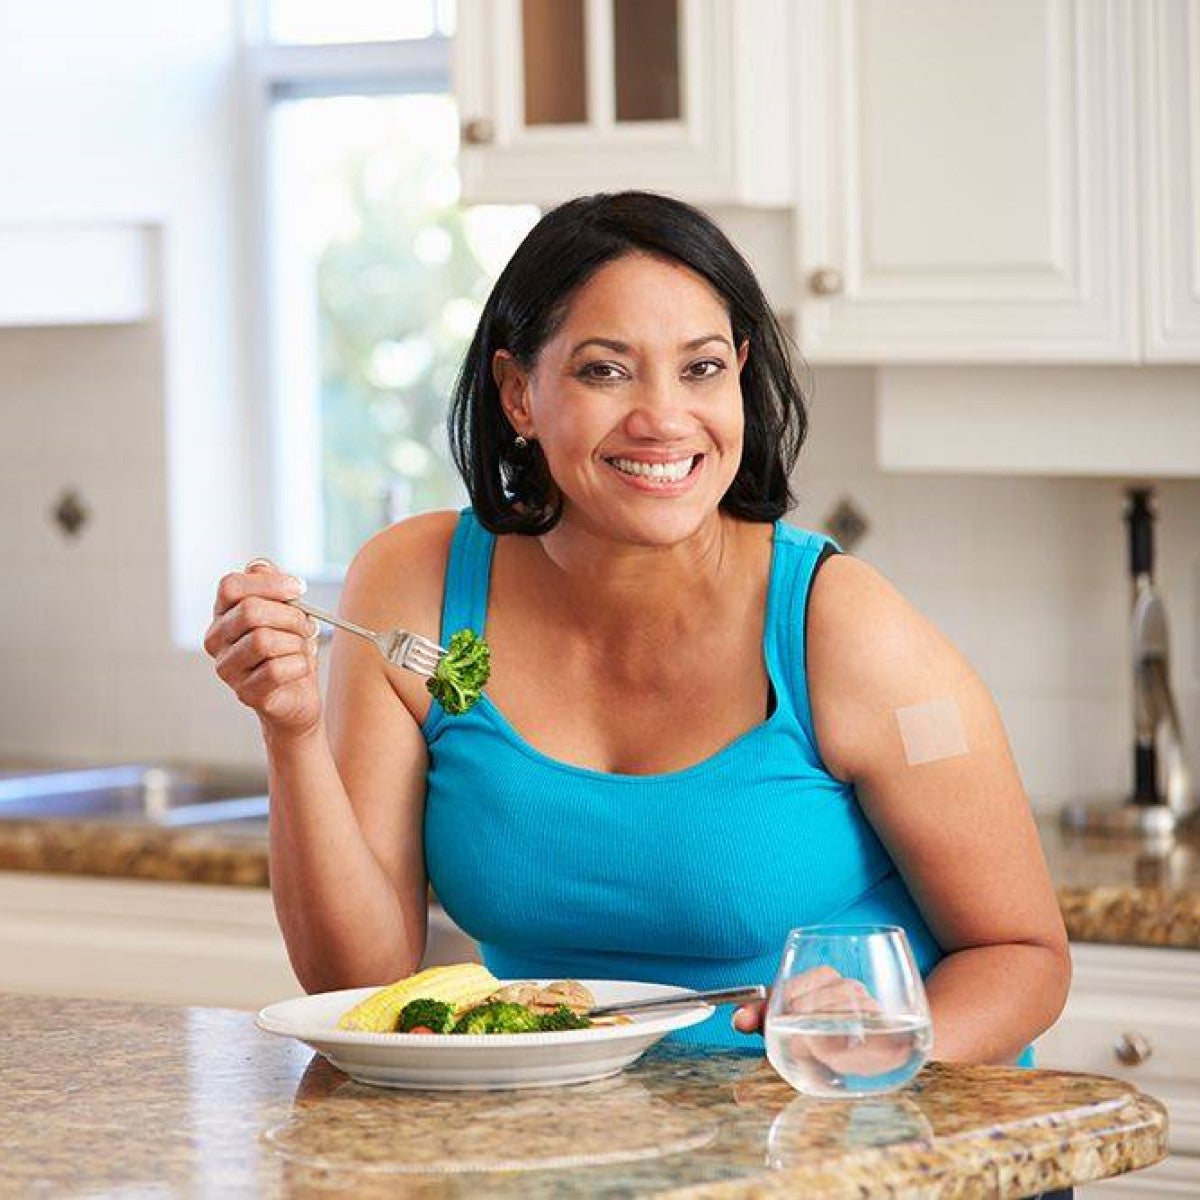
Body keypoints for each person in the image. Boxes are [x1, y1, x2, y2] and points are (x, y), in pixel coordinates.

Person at [205, 190, 1071, 1065]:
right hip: (575, 1143)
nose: (662, 418)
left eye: (701, 368)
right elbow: (358, 978)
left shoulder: (840, 628)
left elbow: (1023, 958)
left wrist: (876, 1048)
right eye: (605, 370)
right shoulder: (414, 586)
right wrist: (292, 730)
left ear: (740, 374)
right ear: (518, 394)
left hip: (856, 1143)